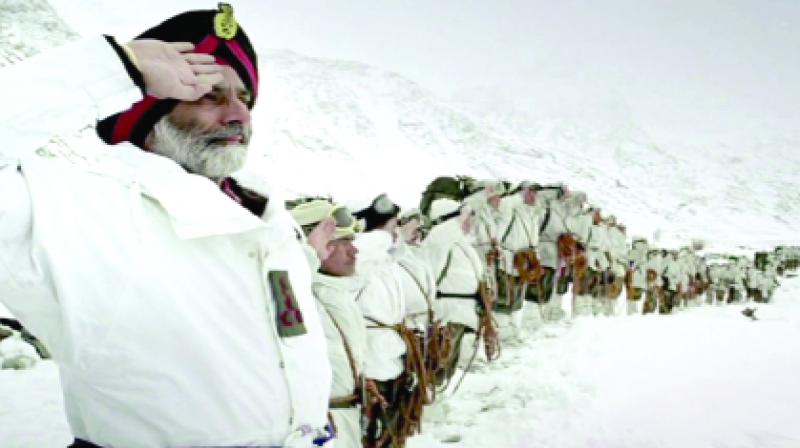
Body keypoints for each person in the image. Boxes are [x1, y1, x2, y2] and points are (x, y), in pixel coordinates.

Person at [0, 5, 332, 447]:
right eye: (210, 95)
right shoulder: (76, 211)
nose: (239, 116)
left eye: (244, 98)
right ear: (148, 110)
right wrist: (118, 67)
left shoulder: (264, 217)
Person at [291, 200, 367, 448]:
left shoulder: (340, 296)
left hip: (348, 417)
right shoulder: (298, 296)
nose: (354, 251)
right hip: (320, 427)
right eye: (342, 243)